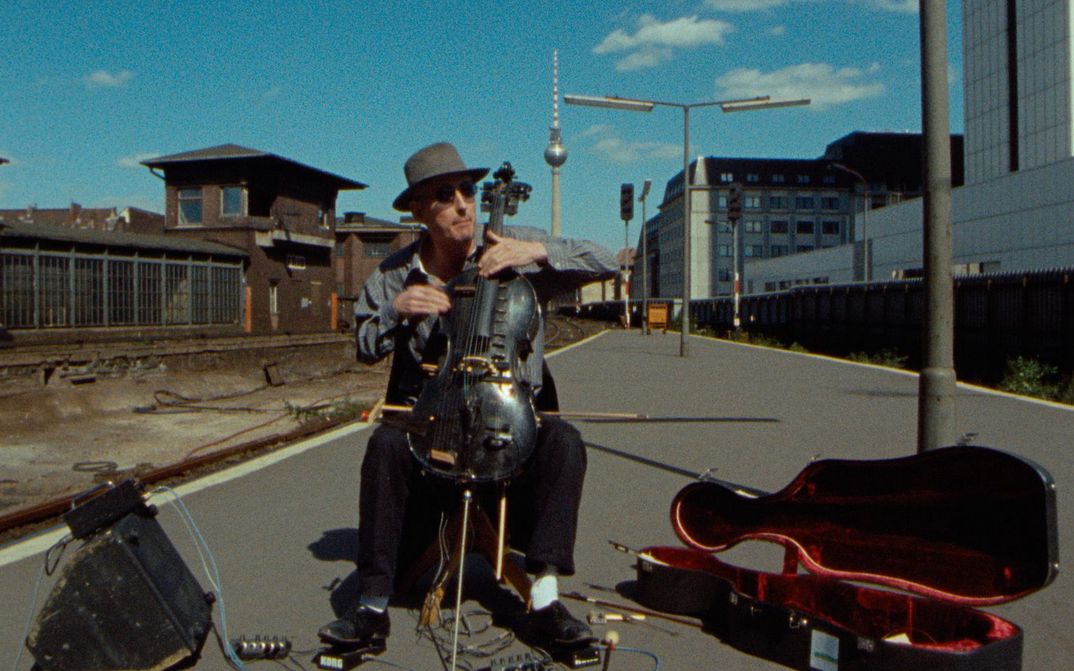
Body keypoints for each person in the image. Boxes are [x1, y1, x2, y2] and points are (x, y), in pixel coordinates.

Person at [318, 143, 617, 651]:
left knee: (564, 440)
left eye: (467, 191)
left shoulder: (513, 245)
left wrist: (535, 252)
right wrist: (395, 310)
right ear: (419, 210)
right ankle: (371, 607)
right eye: (444, 195)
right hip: (434, 436)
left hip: (509, 431)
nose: (462, 204)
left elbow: (606, 261)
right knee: (385, 443)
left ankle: (545, 599)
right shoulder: (393, 275)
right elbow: (364, 346)